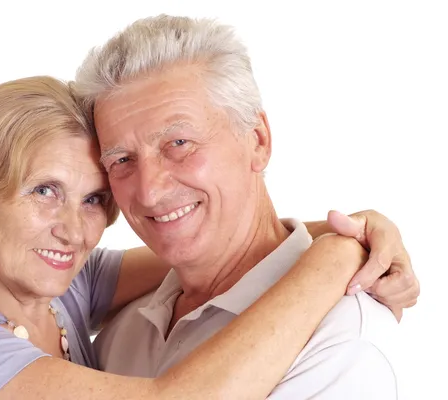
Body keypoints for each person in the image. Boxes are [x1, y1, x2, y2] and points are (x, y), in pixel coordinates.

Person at [0, 75, 415, 400]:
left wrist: (361, 226)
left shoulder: (62, 288)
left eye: (93, 199)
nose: (74, 230)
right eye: (43, 191)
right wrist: (337, 254)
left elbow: (230, 247)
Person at [72, 14, 417, 399]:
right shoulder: (124, 328)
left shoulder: (342, 341)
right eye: (121, 160)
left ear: (257, 140)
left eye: (179, 143)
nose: (149, 192)